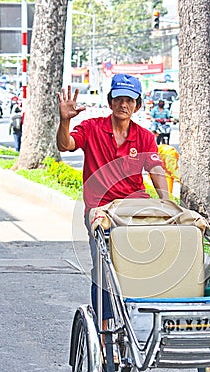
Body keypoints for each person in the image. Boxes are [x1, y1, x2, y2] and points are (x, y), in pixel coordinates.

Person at [56, 73, 169, 324]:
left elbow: (155, 169)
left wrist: (166, 201)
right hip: (100, 211)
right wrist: (64, 121)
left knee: (144, 263)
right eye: (119, 99)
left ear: (137, 106)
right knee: (104, 268)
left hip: (133, 210)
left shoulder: (144, 137)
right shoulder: (92, 127)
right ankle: (104, 328)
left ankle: (139, 320)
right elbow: (66, 145)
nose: (123, 105)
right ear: (110, 102)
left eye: (129, 100)